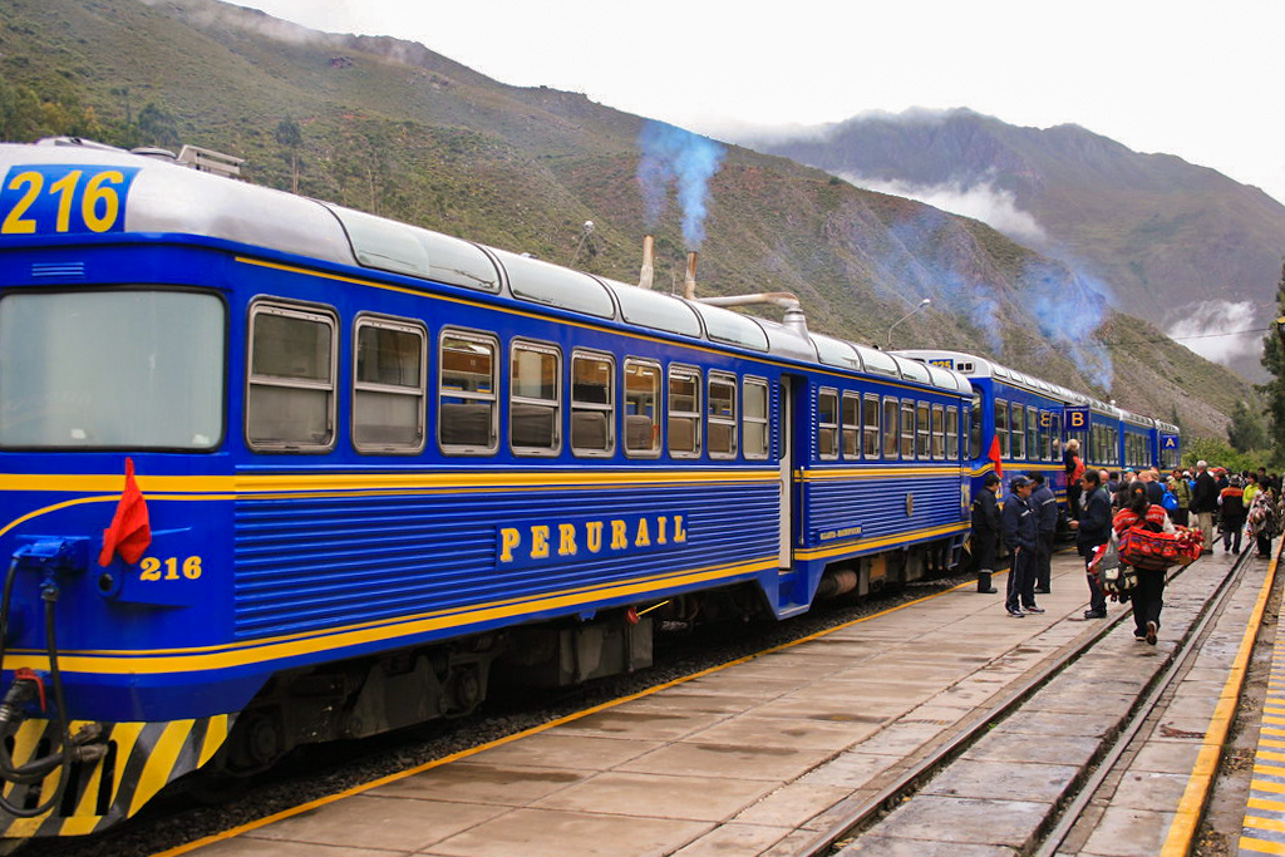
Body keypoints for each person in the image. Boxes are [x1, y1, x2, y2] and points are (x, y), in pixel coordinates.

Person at [1113, 480, 1174, 645]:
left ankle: (1140, 630)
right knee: (1155, 596)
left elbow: (1114, 538)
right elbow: (1170, 533)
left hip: (1133, 563)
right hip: (1155, 563)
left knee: (1137, 596)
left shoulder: (1123, 515)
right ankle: (1152, 620)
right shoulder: (1158, 512)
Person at [1070, 469, 1112, 619]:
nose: (1081, 484)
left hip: (1095, 541)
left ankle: (1098, 607)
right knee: (1093, 575)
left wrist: (1079, 524)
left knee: (1095, 575)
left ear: (1092, 482)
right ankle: (1097, 605)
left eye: (1083, 481)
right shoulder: (1094, 495)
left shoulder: (1098, 498)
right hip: (1092, 540)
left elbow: (1097, 522)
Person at [1000, 476, 1041, 617]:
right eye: (1027, 486)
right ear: (1019, 488)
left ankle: (1029, 602)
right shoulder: (1012, 504)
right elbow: (1009, 528)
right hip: (1021, 546)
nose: (1031, 488)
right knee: (1017, 577)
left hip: (1032, 544)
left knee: (1030, 576)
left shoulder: (1028, 502)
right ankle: (1012, 604)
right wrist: (1015, 544)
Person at [970, 473, 1002, 593]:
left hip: (980, 530)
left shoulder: (981, 494)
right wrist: (995, 528)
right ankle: (985, 585)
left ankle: (984, 584)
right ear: (994, 485)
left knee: (984, 556)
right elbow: (989, 514)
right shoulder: (988, 497)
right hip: (986, 531)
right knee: (987, 559)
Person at [1028, 473, 1057, 594]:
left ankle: (1042, 585)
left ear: (1035, 483)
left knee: (1041, 559)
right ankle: (1043, 583)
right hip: (1049, 529)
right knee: (1045, 558)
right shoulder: (1048, 492)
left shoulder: (1036, 497)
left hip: (1041, 531)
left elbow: (1034, 516)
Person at [1191, 460, 1218, 553]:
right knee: (1206, 526)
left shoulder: (1203, 479)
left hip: (1204, 507)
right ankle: (1206, 545)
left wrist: (1195, 503)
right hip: (1208, 506)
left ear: (1199, 468)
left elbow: (1203, 493)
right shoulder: (1209, 478)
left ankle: (1206, 546)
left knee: (1205, 527)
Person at [1248, 485, 1281, 558]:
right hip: (1267, 521)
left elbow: (1268, 509)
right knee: (1265, 537)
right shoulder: (1270, 497)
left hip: (1264, 522)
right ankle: (1265, 552)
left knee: (1262, 537)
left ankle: (1264, 552)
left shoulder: (1264, 498)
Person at [1218, 476, 1247, 554]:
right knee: (1237, 531)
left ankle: (1227, 542)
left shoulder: (1224, 491)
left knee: (1227, 530)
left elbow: (1219, 502)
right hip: (1238, 514)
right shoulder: (1242, 492)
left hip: (1226, 514)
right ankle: (1236, 548)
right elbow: (1244, 504)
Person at [1064, 438, 1085, 519]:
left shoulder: (1071, 459)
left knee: (1073, 500)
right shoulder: (1078, 461)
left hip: (1072, 482)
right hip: (1077, 482)